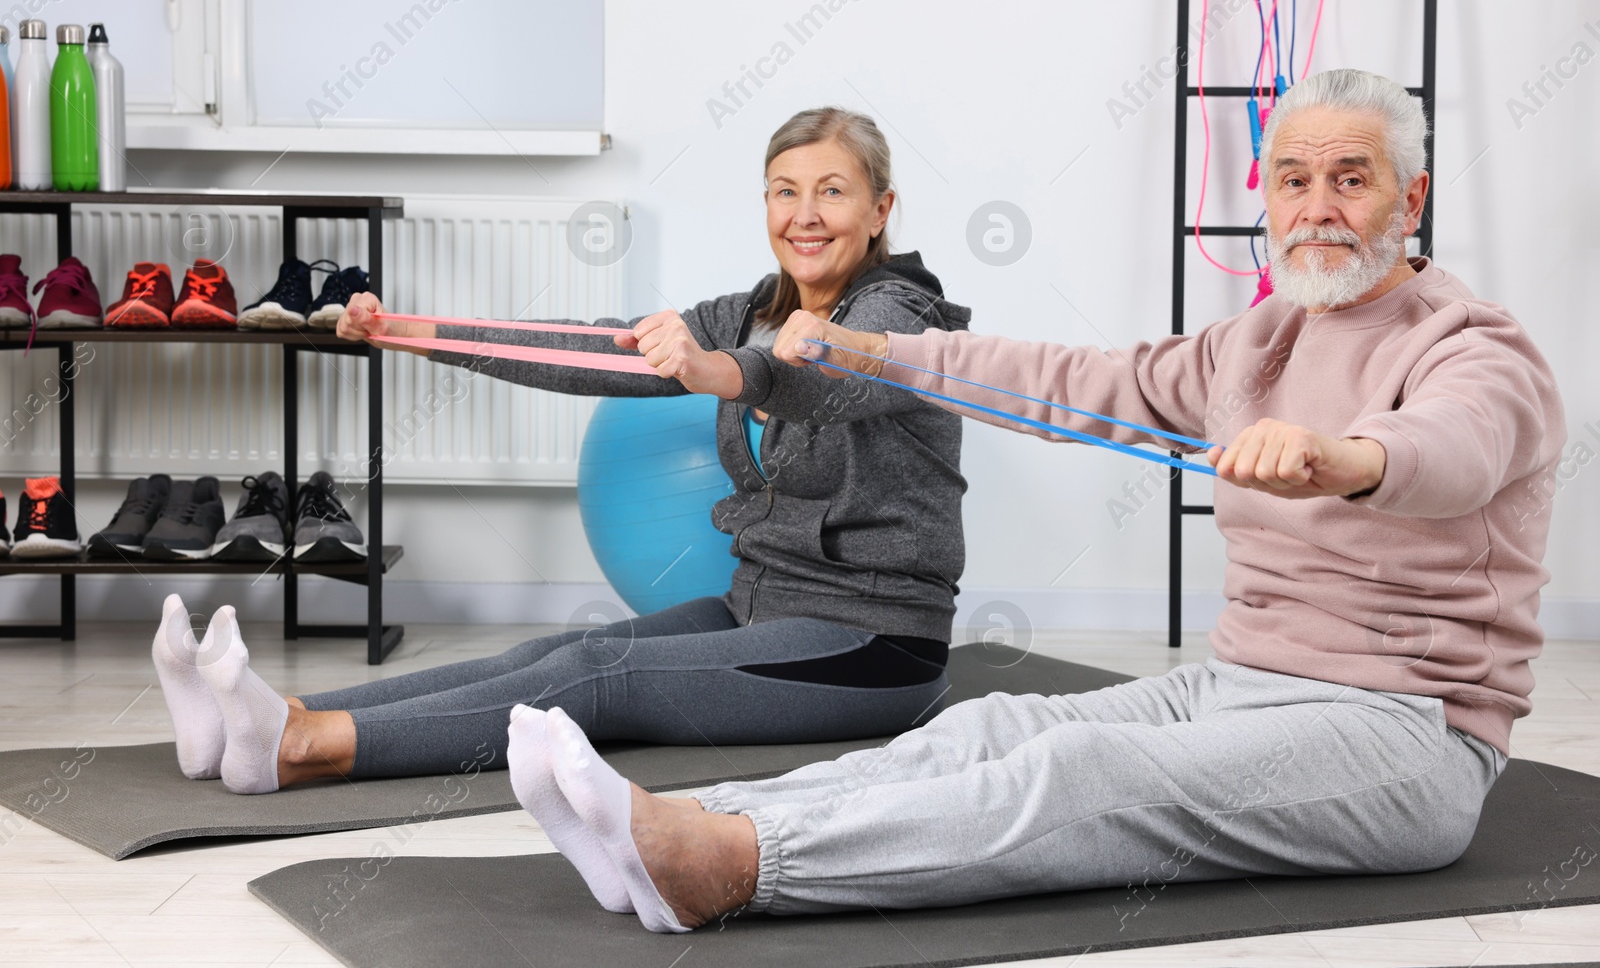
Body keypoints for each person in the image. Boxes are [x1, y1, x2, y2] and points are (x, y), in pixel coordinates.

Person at [501, 69, 1566, 932]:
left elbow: (1454, 446)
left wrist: (1347, 455)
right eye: (1292, 181)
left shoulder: (1474, 345)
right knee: (988, 726)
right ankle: (685, 822)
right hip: (1241, 682)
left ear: (1410, 200)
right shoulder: (1258, 340)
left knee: (1079, 768)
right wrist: (884, 349)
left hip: (1402, 733)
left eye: (1350, 178)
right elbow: (1066, 379)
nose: (1316, 208)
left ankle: (734, 864)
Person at [149, 107, 971, 799]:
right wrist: (419, 333)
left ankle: (304, 748)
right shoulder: (754, 309)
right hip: (759, 602)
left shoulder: (906, 315)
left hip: (873, 644)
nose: (806, 214)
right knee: (549, 653)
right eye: (786, 192)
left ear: (879, 209)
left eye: (833, 192)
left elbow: (827, 374)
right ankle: (262, 715)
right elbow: (600, 352)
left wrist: (718, 370)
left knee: (598, 677)